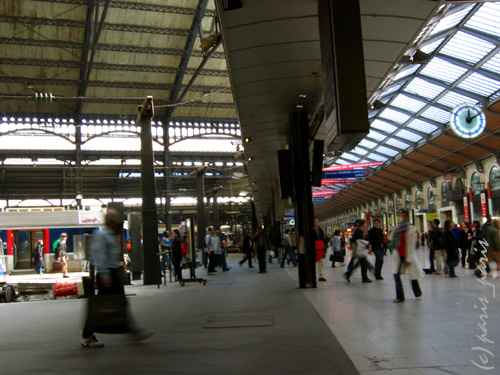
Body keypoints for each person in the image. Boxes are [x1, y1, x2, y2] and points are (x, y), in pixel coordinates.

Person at [81, 209, 154, 348]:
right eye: (116, 220)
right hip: (108, 274)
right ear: (111, 221)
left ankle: (133, 331)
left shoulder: (107, 234)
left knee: (118, 303)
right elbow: (100, 256)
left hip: (111, 272)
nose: (118, 222)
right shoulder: (102, 235)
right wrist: (105, 276)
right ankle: (87, 336)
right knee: (102, 305)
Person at [390, 210, 423, 303]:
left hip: (407, 254)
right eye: (401, 216)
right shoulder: (398, 228)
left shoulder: (411, 229)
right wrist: (394, 234)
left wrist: (409, 258)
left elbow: (412, 245)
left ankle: (418, 293)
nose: (402, 218)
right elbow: (390, 238)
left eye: (404, 216)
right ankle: (400, 296)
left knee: (412, 275)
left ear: (408, 217)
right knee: (396, 274)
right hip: (398, 254)